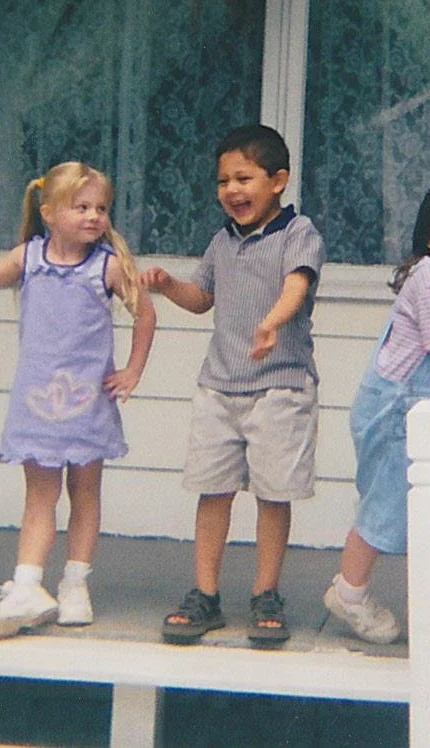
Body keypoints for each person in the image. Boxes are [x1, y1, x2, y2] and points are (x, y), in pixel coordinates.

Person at [0, 161, 155, 639]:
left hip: (87, 401)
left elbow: (145, 314)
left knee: (85, 492)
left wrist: (133, 370)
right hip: (37, 401)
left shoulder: (106, 267)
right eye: (81, 207)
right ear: (49, 212)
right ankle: (26, 585)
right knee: (40, 495)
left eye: (100, 208)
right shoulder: (29, 258)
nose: (94, 217)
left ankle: (75, 586)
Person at [142, 125, 326, 647]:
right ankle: (205, 594)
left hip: (281, 387)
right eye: (223, 180)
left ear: (278, 181)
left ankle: (266, 593)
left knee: (273, 493)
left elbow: (297, 282)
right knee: (213, 489)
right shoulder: (222, 241)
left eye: (244, 177)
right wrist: (167, 285)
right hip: (219, 386)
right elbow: (202, 298)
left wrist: (272, 322)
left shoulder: (299, 233)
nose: (231, 190)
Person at [323, 175, 430, 644]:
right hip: (401, 410)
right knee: (385, 506)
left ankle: (380, 595)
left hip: (404, 406)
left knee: (406, 507)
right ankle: (349, 593)